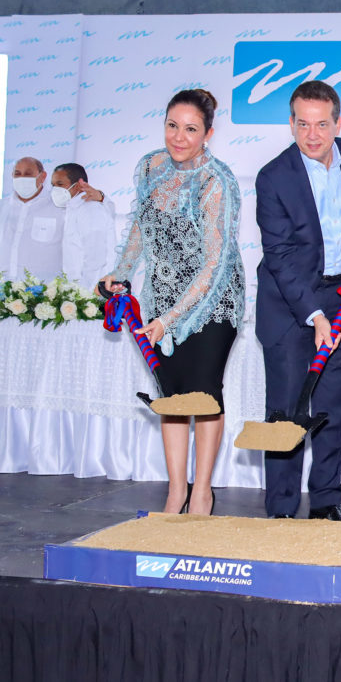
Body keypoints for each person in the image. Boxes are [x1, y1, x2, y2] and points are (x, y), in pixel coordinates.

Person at [101, 89, 245, 516]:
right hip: (161, 299)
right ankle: (175, 492)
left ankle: (202, 493)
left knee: (202, 393)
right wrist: (121, 274)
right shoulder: (150, 166)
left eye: (191, 129)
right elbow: (140, 229)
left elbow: (215, 263)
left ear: (208, 134)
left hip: (213, 301)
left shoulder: (217, 181)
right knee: (172, 394)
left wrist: (170, 319)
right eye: (172, 126)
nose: (179, 137)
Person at [255, 80, 341, 521]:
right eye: (303, 124)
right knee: (287, 410)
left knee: (331, 406)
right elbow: (279, 255)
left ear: (338, 123)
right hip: (289, 308)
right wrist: (313, 315)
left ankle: (326, 502)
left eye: (322, 124)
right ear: (291, 123)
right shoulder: (273, 177)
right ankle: (281, 511)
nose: (312, 135)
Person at [1, 157, 65, 281]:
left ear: (43, 176)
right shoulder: (3, 207)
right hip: (3, 286)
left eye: (28, 174)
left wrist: (100, 197)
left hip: (43, 289)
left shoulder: (60, 207)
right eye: (17, 174)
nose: (22, 178)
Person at [53, 162, 117, 286]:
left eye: (60, 184)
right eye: (53, 185)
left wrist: (86, 291)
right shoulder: (71, 208)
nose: (55, 189)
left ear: (78, 185)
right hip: (75, 289)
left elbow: (96, 259)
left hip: (89, 290)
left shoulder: (90, 208)